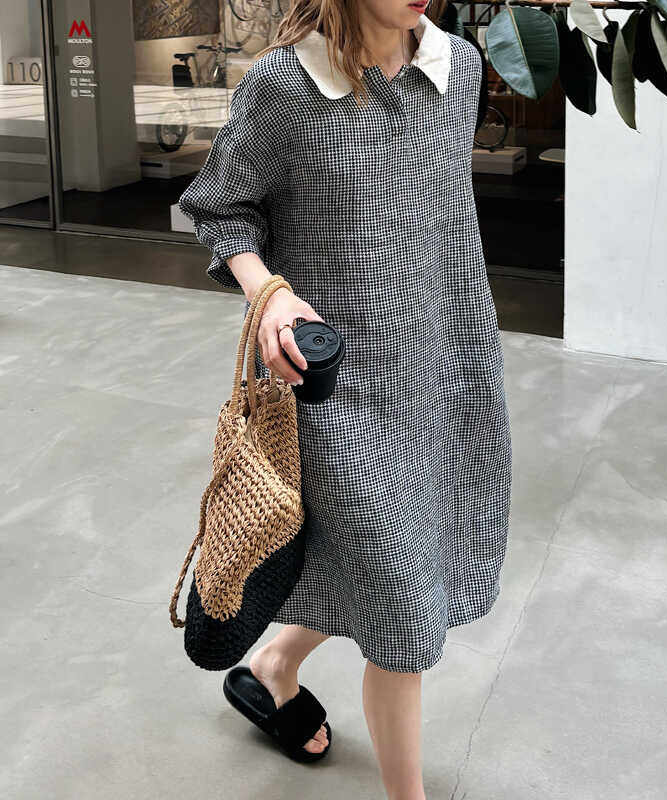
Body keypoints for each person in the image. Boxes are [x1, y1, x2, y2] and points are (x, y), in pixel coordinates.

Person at [177, 0, 512, 797]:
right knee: (400, 605)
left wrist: (464, 352)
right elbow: (220, 206)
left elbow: (440, 223)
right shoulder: (285, 86)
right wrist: (269, 292)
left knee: (381, 562)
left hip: (441, 364)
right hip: (335, 393)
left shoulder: (459, 70)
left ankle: (275, 663)